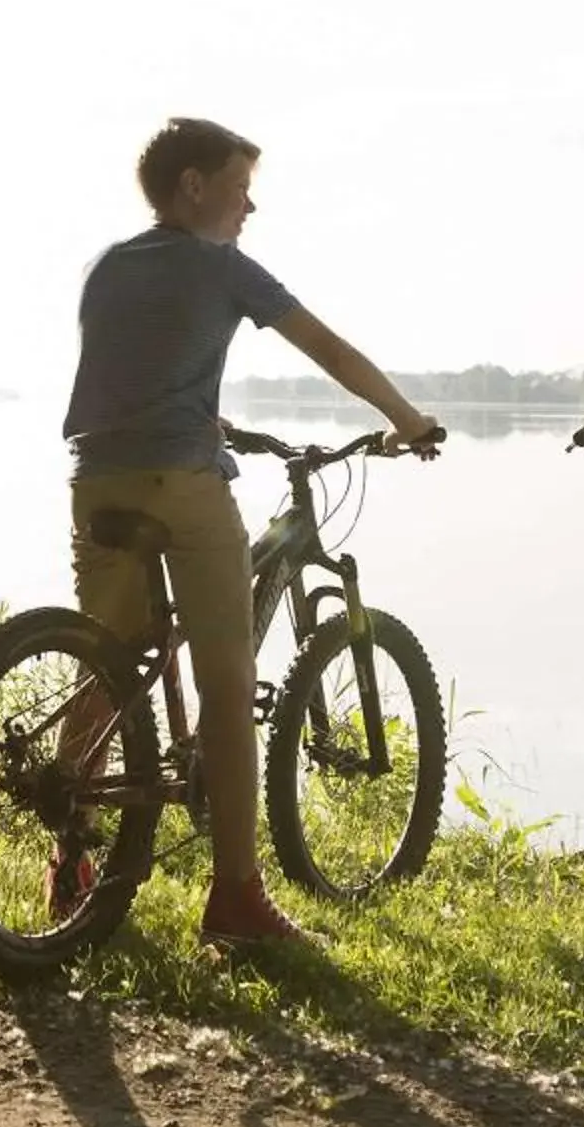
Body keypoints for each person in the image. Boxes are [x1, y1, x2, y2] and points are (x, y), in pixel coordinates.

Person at [60, 116, 441, 954]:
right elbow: (330, 349)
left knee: (107, 659)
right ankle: (236, 899)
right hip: (183, 485)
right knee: (228, 689)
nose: (249, 206)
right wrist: (407, 420)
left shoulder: (105, 266)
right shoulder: (222, 266)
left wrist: (206, 415)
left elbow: (135, 374)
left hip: (97, 478)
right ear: (193, 187)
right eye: (238, 187)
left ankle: (71, 859)